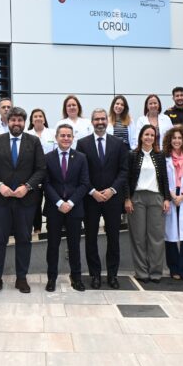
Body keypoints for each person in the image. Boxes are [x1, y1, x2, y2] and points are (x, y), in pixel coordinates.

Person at [0, 106, 46, 295]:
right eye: (13, 120)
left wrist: (27, 187)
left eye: (20, 120)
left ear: (24, 122)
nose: (16, 123)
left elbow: (41, 169)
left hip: (25, 200)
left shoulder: (34, 142)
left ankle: (21, 278)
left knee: (24, 239)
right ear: (7, 122)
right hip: (0, 200)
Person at [78, 108, 129, 289]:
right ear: (92, 122)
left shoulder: (118, 143)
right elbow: (81, 171)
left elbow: (124, 171)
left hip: (112, 199)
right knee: (91, 238)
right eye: (96, 119)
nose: (100, 122)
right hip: (91, 199)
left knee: (113, 238)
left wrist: (112, 190)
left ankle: (112, 275)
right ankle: (95, 275)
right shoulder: (82, 144)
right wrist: (92, 191)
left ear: (107, 121)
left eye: (102, 119)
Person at [44, 124, 91, 292]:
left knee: (74, 245)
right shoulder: (47, 158)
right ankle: (51, 278)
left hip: (74, 208)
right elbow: (46, 184)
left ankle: (76, 278)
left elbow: (84, 184)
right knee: (52, 245)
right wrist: (59, 203)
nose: (65, 138)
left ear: (73, 138)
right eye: (62, 135)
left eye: (68, 136)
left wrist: (70, 203)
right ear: (56, 138)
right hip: (54, 208)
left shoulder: (81, 158)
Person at [125, 125, 171, 283]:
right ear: (141, 136)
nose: (149, 137)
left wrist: (166, 198)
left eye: (152, 135)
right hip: (137, 198)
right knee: (138, 237)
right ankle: (141, 272)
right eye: (146, 134)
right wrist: (127, 198)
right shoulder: (132, 155)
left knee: (156, 237)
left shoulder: (160, 155)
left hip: (156, 197)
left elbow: (164, 177)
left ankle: (156, 272)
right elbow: (126, 178)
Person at [162, 126, 183, 282]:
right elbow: (162, 179)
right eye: (174, 138)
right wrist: (171, 195)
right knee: (171, 234)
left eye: (179, 138)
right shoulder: (165, 158)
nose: (176, 141)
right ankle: (174, 268)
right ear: (169, 140)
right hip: (170, 195)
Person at [28, 108, 56, 234]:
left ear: (44, 119)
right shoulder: (27, 134)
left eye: (40, 116)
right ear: (31, 120)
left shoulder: (52, 133)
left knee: (51, 199)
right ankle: (37, 228)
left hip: (51, 171)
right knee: (36, 200)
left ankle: (52, 226)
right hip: (34, 173)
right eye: (35, 116)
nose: (38, 118)